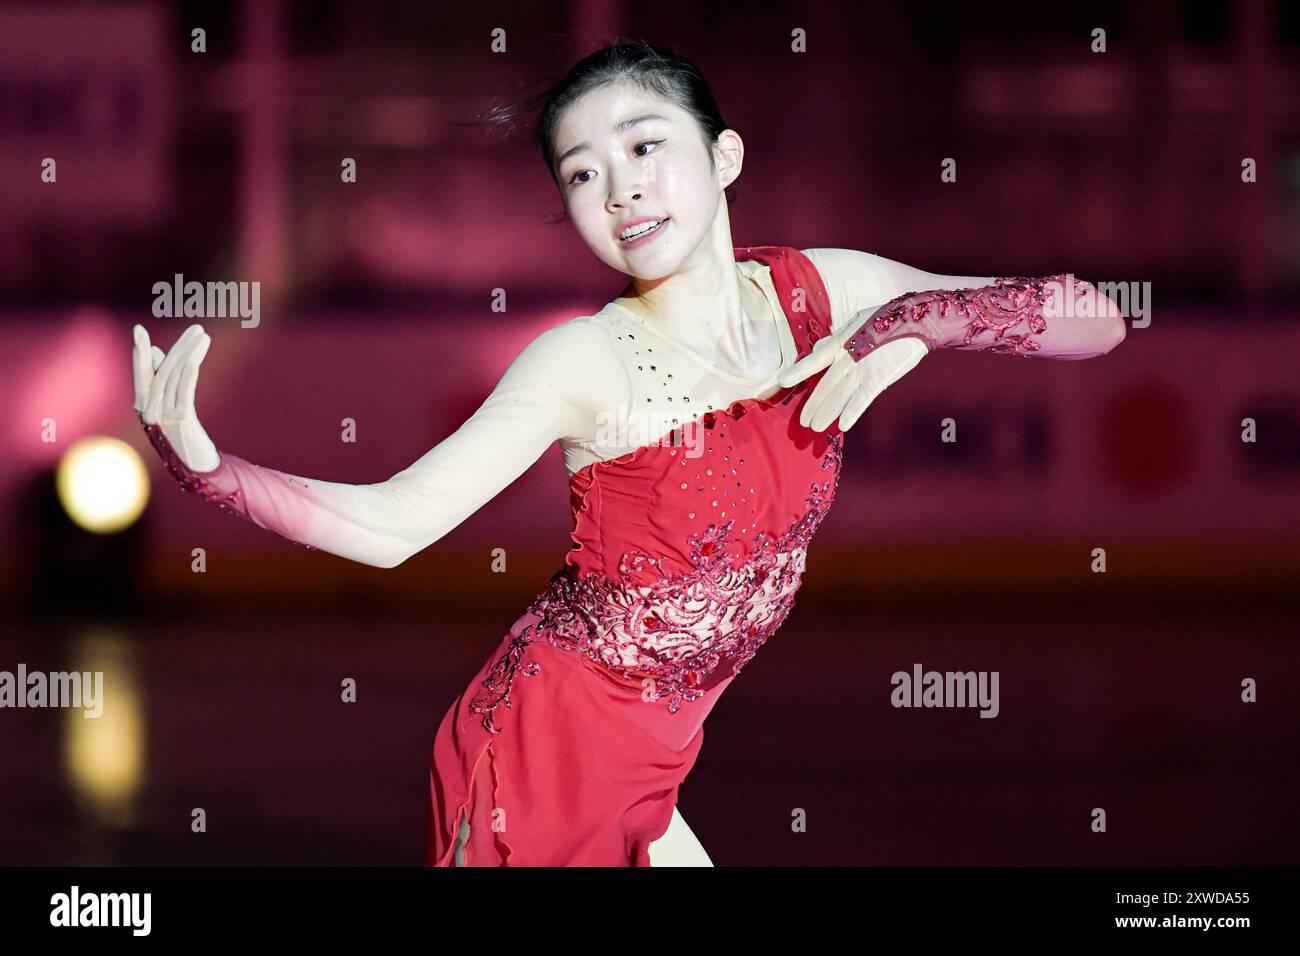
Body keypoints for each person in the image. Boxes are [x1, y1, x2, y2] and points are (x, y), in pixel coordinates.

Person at [130, 40, 1127, 866]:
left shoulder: (822, 292)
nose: (619, 190)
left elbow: (1095, 320)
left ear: (724, 155)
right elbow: (393, 526)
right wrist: (213, 473)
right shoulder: (584, 360)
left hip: (657, 764)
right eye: (582, 173)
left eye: (645, 146)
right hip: (539, 759)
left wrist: (911, 320)